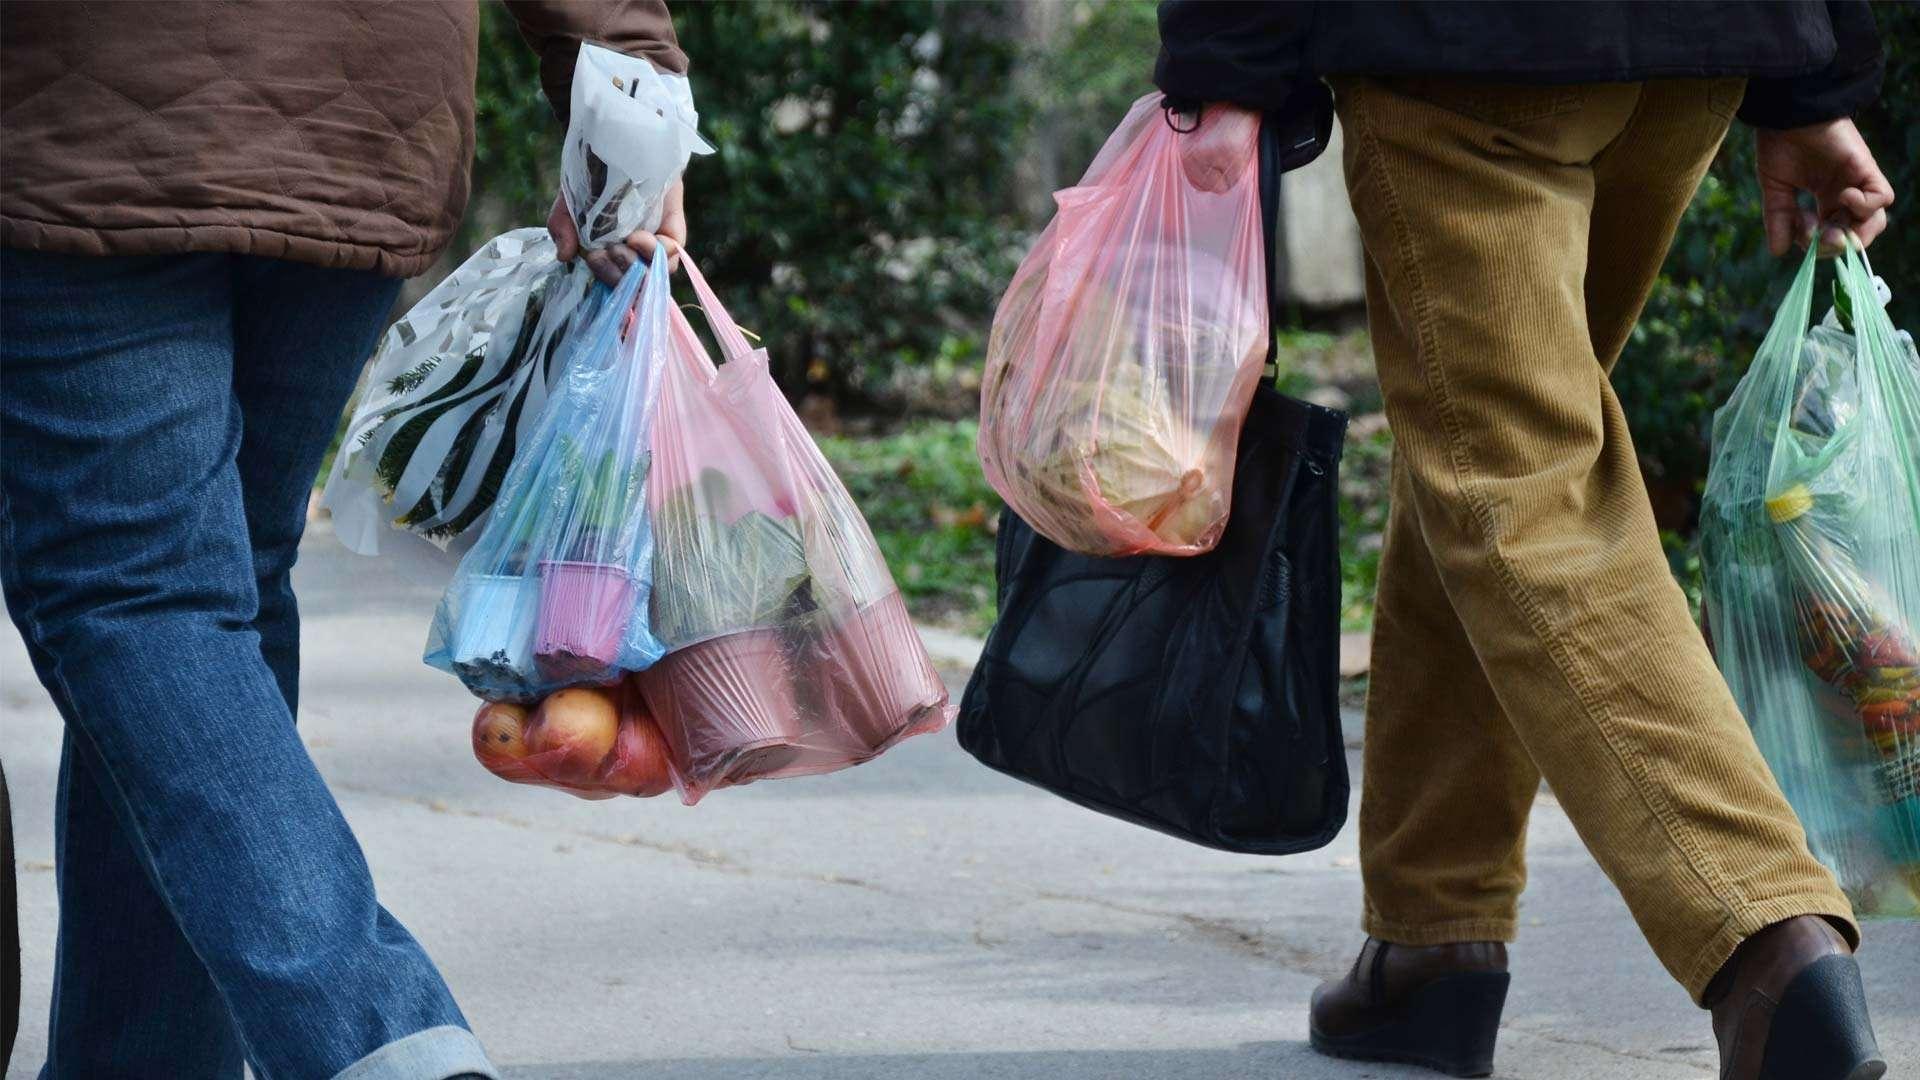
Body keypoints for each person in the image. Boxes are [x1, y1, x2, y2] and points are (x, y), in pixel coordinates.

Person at [1157, 3, 1893, 1078]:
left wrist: (1224, 67)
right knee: (1479, 444)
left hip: (1469, 57)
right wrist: (1812, 80)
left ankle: (1769, 934)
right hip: (1693, 55)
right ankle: (1432, 933)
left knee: (1521, 493)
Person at [0, 3, 688, 1076]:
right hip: (359, 114)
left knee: (139, 598)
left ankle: (380, 1036)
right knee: (209, 595)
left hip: (81, 119)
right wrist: (629, 73)